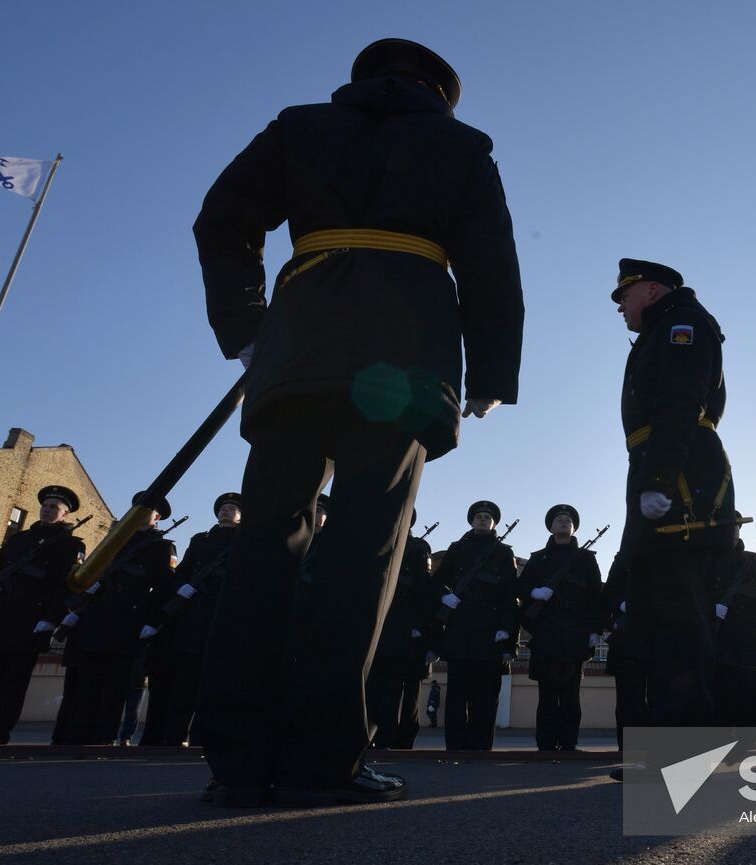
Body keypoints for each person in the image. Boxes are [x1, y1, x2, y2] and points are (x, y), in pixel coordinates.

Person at [191, 37, 524, 807]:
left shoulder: (299, 125)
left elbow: (223, 220)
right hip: (406, 359)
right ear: (440, 93)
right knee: (363, 551)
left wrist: (245, 325)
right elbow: (489, 260)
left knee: (267, 541)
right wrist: (494, 372)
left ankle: (238, 759)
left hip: (299, 348)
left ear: (363, 81)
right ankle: (324, 758)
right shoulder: (462, 145)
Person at [613, 258, 742, 732]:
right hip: (659, 469)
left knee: (680, 627)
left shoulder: (681, 325)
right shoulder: (661, 329)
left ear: (650, 290)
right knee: (652, 621)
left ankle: (687, 753)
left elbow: (681, 405)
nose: (621, 307)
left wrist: (658, 481)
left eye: (625, 296)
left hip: (681, 481)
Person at [0, 486, 85, 745]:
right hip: (1, 616)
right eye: (46, 505)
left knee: (13, 684)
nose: (48, 510)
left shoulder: (71, 545)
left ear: (65, 514)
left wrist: (51, 617)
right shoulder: (18, 540)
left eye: (55, 507)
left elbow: (67, 585)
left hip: (32, 620)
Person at [52, 493, 175, 745]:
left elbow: (162, 588)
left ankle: (102, 737)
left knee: (114, 685)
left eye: (147, 509)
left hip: (128, 621)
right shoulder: (114, 539)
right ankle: (74, 735)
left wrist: (152, 620)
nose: (140, 513)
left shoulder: (161, 547)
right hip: (95, 617)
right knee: (85, 681)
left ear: (157, 517)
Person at [142, 492, 242, 746]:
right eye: (223, 507)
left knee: (212, 686)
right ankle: (174, 738)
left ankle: (203, 740)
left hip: (223, 618)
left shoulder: (245, 540)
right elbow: (183, 570)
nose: (226, 511)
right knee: (184, 684)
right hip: (194, 618)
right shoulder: (201, 540)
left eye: (231, 508)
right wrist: (183, 585)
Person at [432, 501, 520, 750]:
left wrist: (507, 631)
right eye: (479, 516)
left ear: (494, 523)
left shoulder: (503, 552)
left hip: (490, 630)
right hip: (460, 627)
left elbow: (510, 595)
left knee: (485, 697)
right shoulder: (457, 549)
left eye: (487, 517)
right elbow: (437, 581)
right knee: (457, 695)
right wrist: (443, 596)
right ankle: (455, 748)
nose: (483, 519)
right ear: (471, 521)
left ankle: (482, 749)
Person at [520, 504, 603, 752]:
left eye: (568, 519)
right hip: (546, 634)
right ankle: (545, 745)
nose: (564, 522)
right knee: (546, 695)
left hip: (575, 635)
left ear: (574, 527)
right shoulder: (538, 558)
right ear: (551, 526)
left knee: (570, 695)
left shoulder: (586, 559)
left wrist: (594, 631)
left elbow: (596, 597)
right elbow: (519, 587)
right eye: (559, 519)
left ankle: (569, 744)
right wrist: (533, 591)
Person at [366, 510, 435, 749]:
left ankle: (397, 741)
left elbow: (424, 591)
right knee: (373, 687)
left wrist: (419, 626)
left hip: (404, 629)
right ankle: (371, 738)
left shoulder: (418, 548)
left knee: (400, 691)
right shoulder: (375, 543)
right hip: (377, 627)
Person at [710, 518, 756, 729]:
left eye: (735, 529)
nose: (732, 534)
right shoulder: (708, 560)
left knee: (746, 687)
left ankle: (747, 739)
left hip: (745, 632)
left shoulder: (752, 561)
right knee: (719, 687)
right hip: (717, 633)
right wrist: (710, 608)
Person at [602, 552, 650, 753]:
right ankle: (629, 750)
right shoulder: (624, 558)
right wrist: (621, 603)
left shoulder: (671, 555)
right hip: (629, 638)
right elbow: (609, 592)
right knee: (628, 699)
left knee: (662, 699)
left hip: (662, 636)